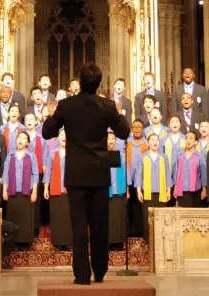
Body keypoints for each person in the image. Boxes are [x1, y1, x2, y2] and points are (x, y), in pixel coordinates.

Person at [42, 62, 130, 285]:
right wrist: (119, 114)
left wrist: (52, 115)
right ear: (99, 83)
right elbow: (124, 132)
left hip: (76, 174)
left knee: (79, 225)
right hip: (99, 173)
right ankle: (100, 271)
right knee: (100, 224)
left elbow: (46, 132)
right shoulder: (107, 106)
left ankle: (82, 275)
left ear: (80, 82)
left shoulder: (66, 105)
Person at [2, 131, 39, 249]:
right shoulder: (10, 155)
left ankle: (24, 242)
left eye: (24, 138)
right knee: (13, 217)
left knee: (25, 218)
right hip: (12, 192)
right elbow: (5, 174)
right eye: (19, 137)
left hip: (26, 192)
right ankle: (14, 242)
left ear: (27, 143)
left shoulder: (31, 156)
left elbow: (35, 174)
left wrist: (34, 192)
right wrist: (4, 190)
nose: (20, 140)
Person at [135, 133, 171, 239]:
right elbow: (138, 175)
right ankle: (148, 239)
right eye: (152, 140)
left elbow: (168, 175)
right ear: (148, 143)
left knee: (161, 219)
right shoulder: (143, 157)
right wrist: (138, 191)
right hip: (147, 192)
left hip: (161, 193)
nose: (155, 142)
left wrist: (168, 190)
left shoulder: (163, 157)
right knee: (148, 218)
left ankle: (161, 239)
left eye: (157, 140)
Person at [43, 129, 72, 250]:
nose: (64, 137)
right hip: (55, 189)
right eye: (61, 135)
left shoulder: (73, 152)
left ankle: (69, 242)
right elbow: (48, 171)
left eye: (66, 135)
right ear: (58, 138)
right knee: (57, 216)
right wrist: (46, 187)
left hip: (70, 189)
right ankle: (58, 242)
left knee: (69, 216)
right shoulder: (52, 153)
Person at [173, 130, 207, 207]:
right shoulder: (179, 155)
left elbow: (203, 174)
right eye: (186, 138)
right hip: (182, 190)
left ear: (195, 142)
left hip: (196, 190)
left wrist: (204, 189)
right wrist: (175, 187)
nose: (188, 140)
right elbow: (176, 173)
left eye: (191, 138)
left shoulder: (200, 156)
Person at [126, 119, 147, 236]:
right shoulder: (127, 143)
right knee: (129, 206)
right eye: (134, 127)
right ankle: (129, 231)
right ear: (131, 130)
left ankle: (139, 231)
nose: (137, 129)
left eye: (139, 127)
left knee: (140, 207)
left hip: (142, 181)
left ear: (143, 129)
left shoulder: (147, 143)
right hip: (129, 180)